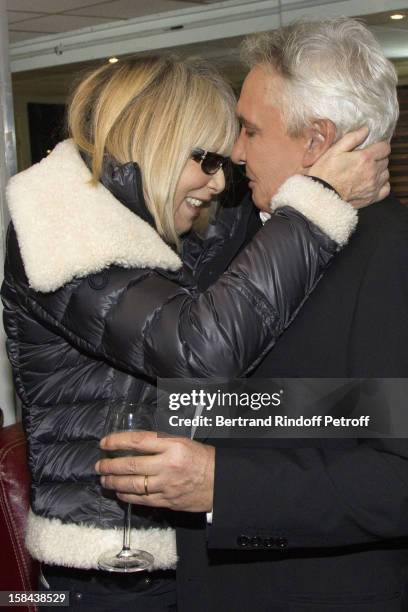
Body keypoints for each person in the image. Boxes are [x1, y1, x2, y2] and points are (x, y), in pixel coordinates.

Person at [96, 19, 408, 612]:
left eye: (250, 130)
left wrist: (223, 485)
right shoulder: (262, 239)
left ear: (317, 141)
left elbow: (397, 476)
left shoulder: (395, 259)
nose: (235, 154)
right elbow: (282, 404)